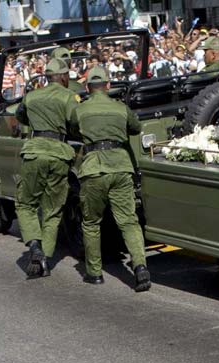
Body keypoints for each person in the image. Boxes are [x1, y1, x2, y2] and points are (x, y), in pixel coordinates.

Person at [69, 67, 151, 292]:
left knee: (91, 222)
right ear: (108, 85)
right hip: (121, 166)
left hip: (93, 168)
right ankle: (140, 266)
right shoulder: (120, 108)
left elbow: (73, 130)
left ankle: (94, 273)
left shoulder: (81, 109)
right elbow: (136, 128)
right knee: (128, 221)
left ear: (87, 88)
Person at [14, 59, 80, 278]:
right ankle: (45, 255)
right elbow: (76, 123)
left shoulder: (31, 96)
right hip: (60, 154)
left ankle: (34, 247)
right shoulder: (69, 97)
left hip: (34, 152)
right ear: (62, 77)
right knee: (53, 210)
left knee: (25, 204)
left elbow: (20, 115)